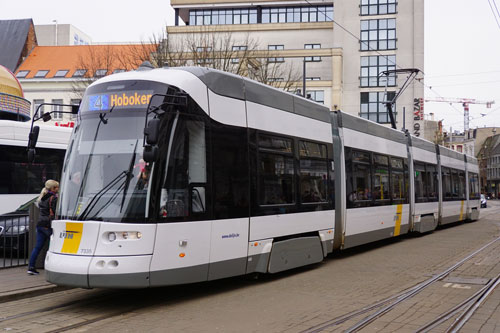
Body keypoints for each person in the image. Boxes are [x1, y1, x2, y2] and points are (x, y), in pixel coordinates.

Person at [27, 180, 59, 275]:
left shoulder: (42, 197)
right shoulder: (53, 198)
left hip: (40, 225)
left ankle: (31, 267)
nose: (58, 189)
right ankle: (54, 268)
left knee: (37, 247)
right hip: (48, 225)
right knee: (56, 246)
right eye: (57, 187)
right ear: (53, 188)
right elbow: (55, 211)